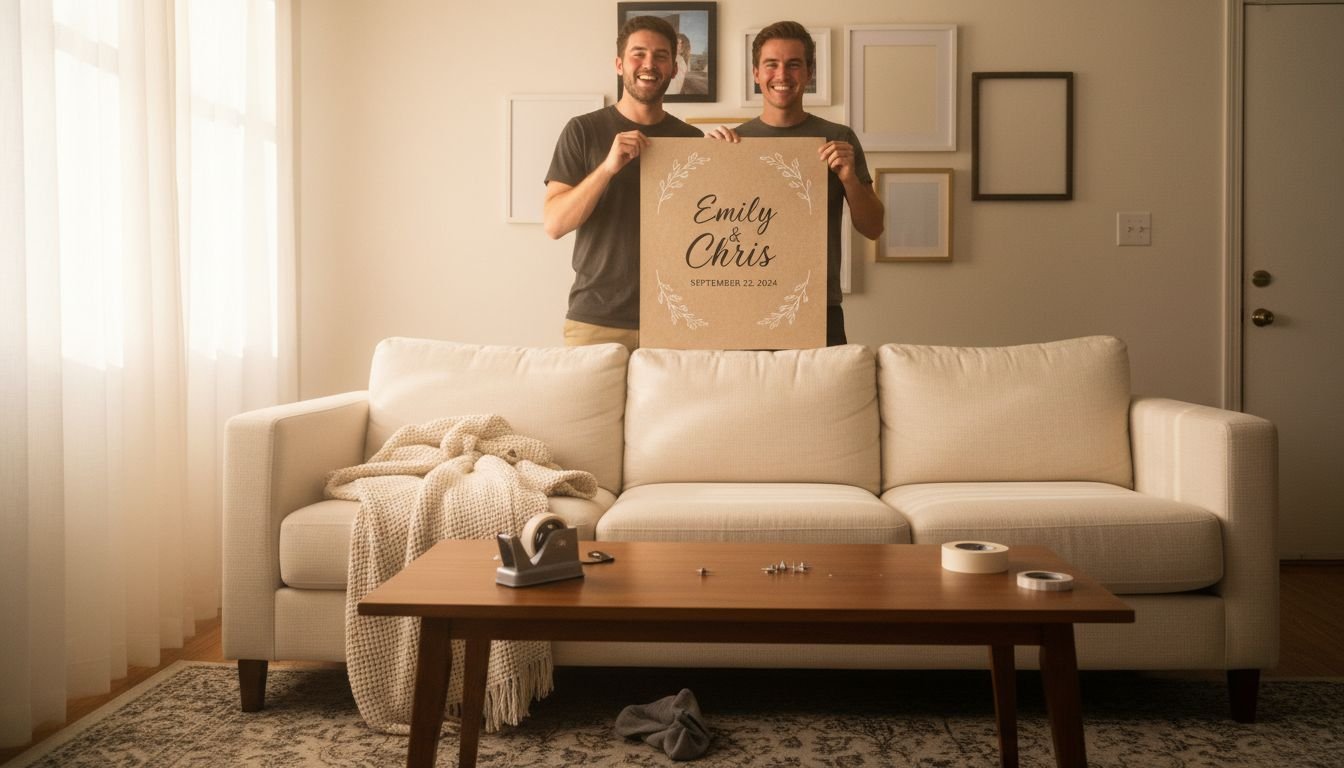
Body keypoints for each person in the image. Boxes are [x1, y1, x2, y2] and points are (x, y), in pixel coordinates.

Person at [710, 20, 884, 346]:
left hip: (819, 303)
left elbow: (873, 227)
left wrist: (848, 178)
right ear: (755, 73)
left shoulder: (839, 138)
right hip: (745, 300)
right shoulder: (734, 143)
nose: (782, 75)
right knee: (750, 398)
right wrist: (709, 164)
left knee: (825, 397)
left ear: (809, 73)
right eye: (771, 65)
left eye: (794, 65)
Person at [543, 16, 702, 353]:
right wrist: (607, 168)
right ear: (619, 64)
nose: (649, 64)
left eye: (660, 56)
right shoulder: (582, 131)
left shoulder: (692, 139)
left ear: (674, 69)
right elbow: (555, 224)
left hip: (676, 321)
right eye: (638, 54)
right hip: (596, 320)